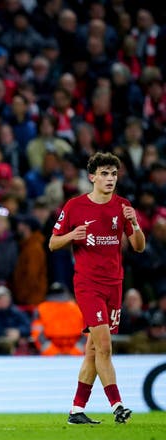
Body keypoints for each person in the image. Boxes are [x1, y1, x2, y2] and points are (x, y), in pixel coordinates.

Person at [49, 152, 145, 425]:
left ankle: (76, 410)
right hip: (88, 284)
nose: (110, 179)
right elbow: (53, 243)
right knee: (104, 346)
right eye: (104, 173)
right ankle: (117, 404)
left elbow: (139, 247)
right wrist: (71, 235)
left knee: (93, 351)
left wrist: (135, 223)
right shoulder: (76, 206)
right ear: (92, 177)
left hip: (114, 284)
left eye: (113, 174)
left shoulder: (123, 206)